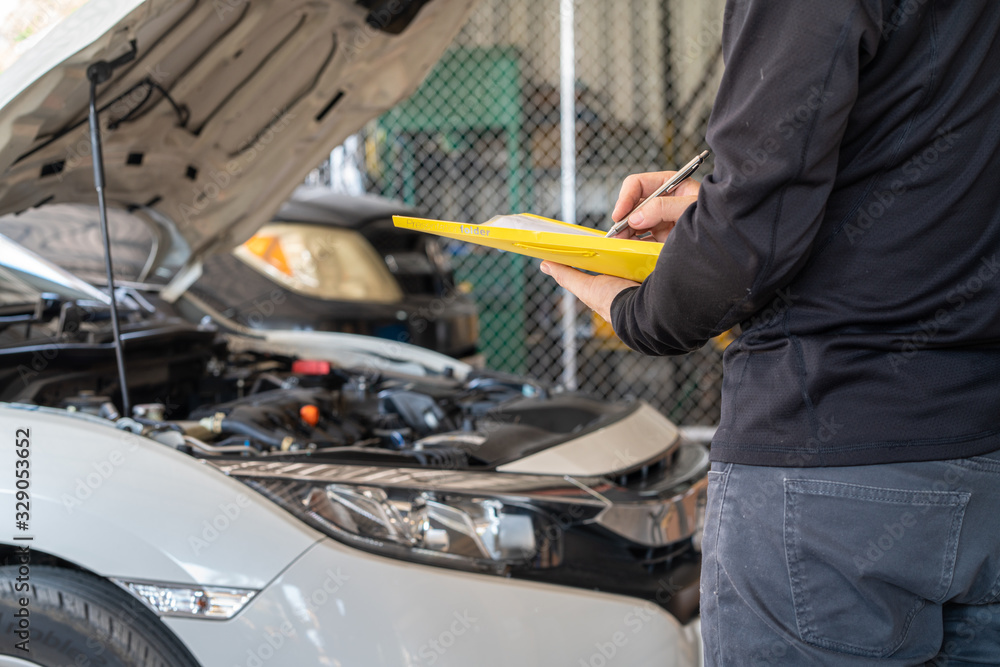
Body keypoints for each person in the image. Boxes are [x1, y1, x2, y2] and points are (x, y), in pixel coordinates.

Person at [540, 0, 1000, 664]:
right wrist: (718, 210)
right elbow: (929, 175)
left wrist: (642, 310)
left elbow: (751, 230)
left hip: (827, 472)